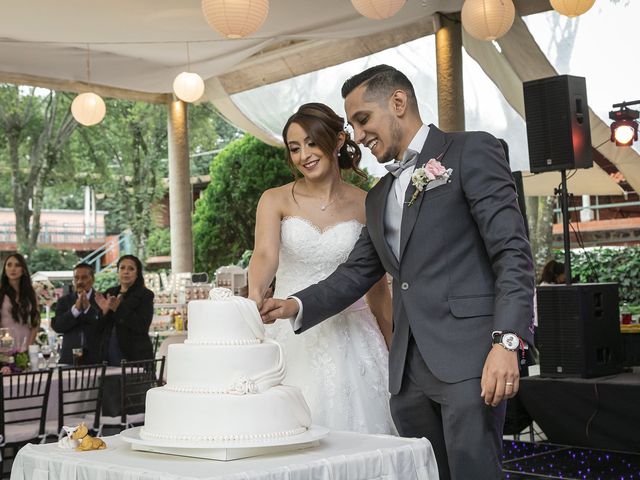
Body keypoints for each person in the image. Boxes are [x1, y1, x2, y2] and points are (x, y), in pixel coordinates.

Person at [260, 65, 535, 479]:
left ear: (399, 103)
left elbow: (512, 253)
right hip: (407, 377)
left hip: (470, 363)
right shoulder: (379, 195)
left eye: (362, 119)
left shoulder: (470, 150)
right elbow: (355, 273)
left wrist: (508, 342)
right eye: (351, 124)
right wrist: (294, 304)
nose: (356, 134)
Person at [248, 102, 396, 434]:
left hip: (354, 336)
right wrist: (254, 298)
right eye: (295, 148)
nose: (304, 155)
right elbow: (264, 255)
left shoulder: (368, 203)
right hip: (288, 328)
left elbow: (374, 284)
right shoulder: (275, 199)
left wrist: (391, 342)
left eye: (312, 143)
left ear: (339, 141)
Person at [96, 255, 154, 365]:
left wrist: (119, 308)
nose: (126, 272)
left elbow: (142, 326)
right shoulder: (110, 292)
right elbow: (98, 327)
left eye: (131, 269)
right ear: (117, 271)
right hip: (108, 353)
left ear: (137, 274)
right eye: (122, 268)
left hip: (134, 355)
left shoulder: (145, 295)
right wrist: (103, 312)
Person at [52, 263, 105, 365]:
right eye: (76, 278)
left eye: (84, 277)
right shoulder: (64, 301)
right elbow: (58, 326)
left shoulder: (101, 300)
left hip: (95, 359)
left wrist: (88, 309)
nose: (80, 281)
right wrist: (75, 310)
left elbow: (102, 326)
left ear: (92, 279)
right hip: (68, 359)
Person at [0, 254, 40, 352]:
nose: (13, 268)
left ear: (23, 270)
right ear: (5, 270)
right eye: (9, 265)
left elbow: (35, 323)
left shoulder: (31, 293)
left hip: (25, 344)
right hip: (3, 345)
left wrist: (28, 348)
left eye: (17, 265)